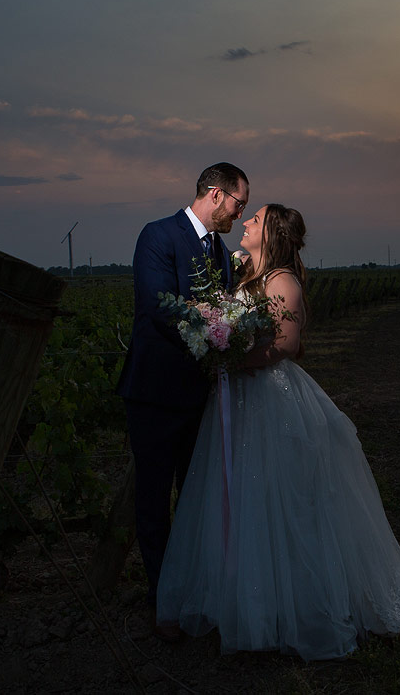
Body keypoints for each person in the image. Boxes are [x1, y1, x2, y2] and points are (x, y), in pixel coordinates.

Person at [156, 204, 400, 660]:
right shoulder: (245, 276)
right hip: (236, 399)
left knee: (280, 494)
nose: (246, 223)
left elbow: (288, 345)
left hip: (270, 398)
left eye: (255, 219)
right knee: (239, 495)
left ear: (271, 234)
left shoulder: (281, 281)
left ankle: (292, 603)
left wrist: (234, 359)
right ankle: (243, 596)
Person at [116, 162, 250, 638]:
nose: (239, 214)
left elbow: (225, 307)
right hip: (155, 391)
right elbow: (158, 305)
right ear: (215, 194)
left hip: (200, 393)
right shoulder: (157, 235)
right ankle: (162, 601)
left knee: (195, 496)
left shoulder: (221, 252)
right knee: (153, 500)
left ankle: (194, 588)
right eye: (238, 204)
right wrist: (212, 331)